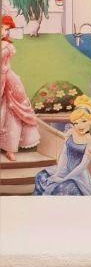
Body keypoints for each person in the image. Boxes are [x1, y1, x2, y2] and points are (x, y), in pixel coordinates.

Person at [34, 94, 91, 195]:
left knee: (63, 188)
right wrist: (57, 174)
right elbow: (64, 155)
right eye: (76, 123)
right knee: (41, 176)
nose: (79, 126)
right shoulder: (71, 133)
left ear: (90, 121)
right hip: (64, 169)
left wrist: (63, 179)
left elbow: (82, 166)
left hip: (78, 175)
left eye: (83, 121)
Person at [1, 14, 40, 162]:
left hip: (7, 79)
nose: (5, 32)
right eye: (3, 28)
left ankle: (10, 148)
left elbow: (4, 65)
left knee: (14, 110)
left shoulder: (7, 46)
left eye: (7, 29)